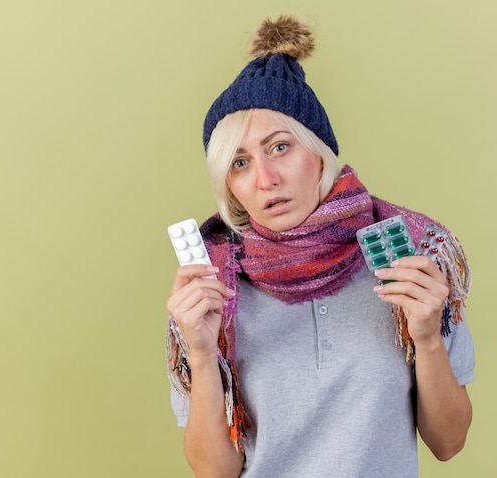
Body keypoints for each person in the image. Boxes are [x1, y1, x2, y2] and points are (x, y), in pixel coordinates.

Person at [166, 15, 474, 478]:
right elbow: (215, 472)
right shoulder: (211, 293)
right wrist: (204, 353)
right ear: (229, 186)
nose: (265, 179)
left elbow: (448, 443)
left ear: (319, 154)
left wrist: (427, 337)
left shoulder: (409, 265)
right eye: (240, 162)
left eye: (280, 147)